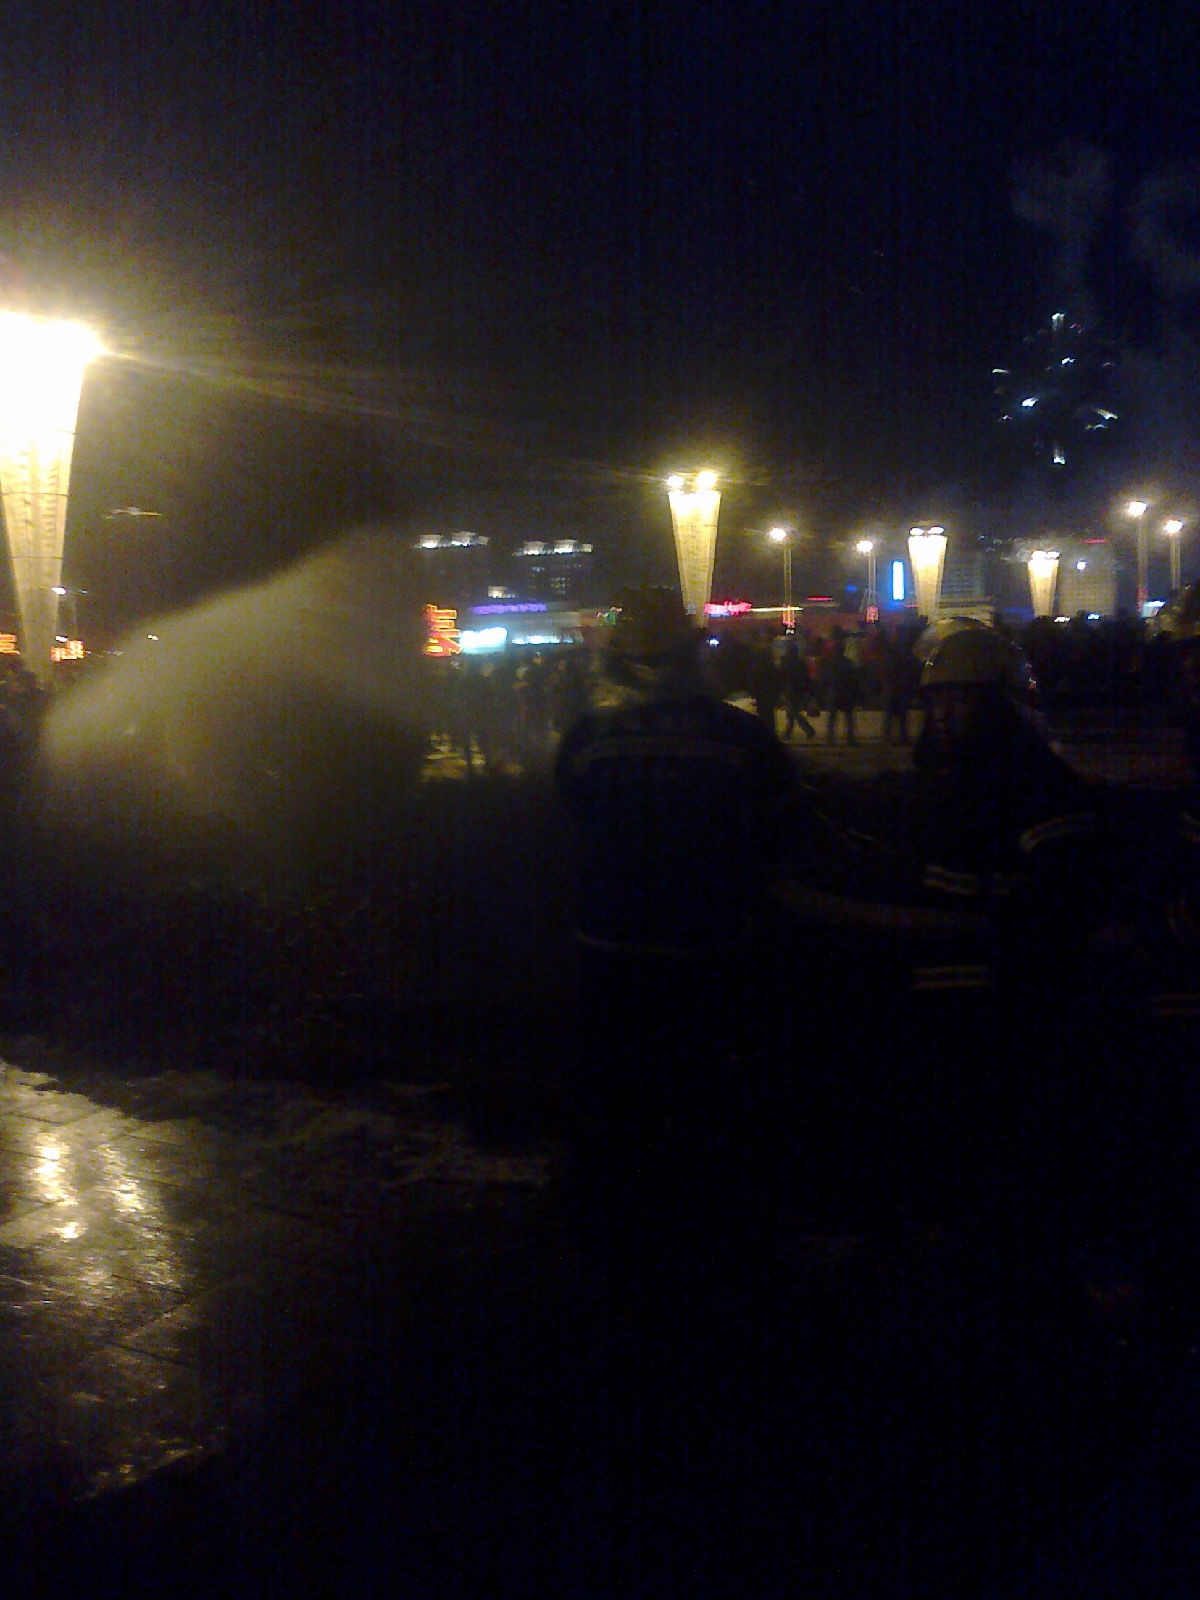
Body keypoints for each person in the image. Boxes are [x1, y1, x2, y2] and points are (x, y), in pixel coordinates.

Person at [554, 588, 801, 1281]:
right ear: (694, 655)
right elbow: (784, 828)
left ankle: (603, 1233)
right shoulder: (740, 738)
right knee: (703, 1091)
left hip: (608, 949)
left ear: (620, 662)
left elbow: (569, 822)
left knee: (613, 1093)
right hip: (707, 948)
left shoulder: (588, 738)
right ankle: (705, 1234)